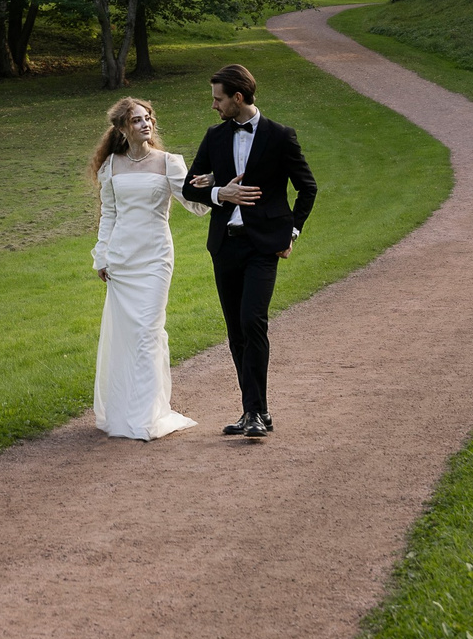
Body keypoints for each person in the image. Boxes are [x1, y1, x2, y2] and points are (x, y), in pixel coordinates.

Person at [184, 62, 317, 438]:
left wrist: (291, 233)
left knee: (252, 322)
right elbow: (190, 187)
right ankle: (253, 411)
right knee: (235, 332)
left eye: (218, 99)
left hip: (264, 247)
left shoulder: (280, 136)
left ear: (237, 98)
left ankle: (256, 412)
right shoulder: (214, 136)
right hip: (225, 246)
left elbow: (307, 188)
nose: (214, 106)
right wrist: (217, 192)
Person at [88, 96, 206, 440]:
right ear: (123, 128)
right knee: (127, 336)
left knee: (148, 332)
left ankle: (148, 416)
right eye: (138, 120)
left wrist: (213, 186)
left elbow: (194, 205)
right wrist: (102, 255)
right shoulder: (110, 166)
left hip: (156, 258)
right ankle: (125, 413)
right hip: (122, 261)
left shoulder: (169, 162)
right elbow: (109, 214)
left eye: (148, 118)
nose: (146, 124)